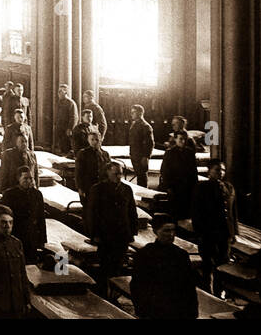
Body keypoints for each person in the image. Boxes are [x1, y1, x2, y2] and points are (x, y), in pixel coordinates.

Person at [131, 214, 198, 318]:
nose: (171, 234)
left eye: (173, 230)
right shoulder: (145, 254)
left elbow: (189, 286)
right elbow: (137, 285)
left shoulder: (181, 255)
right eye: (166, 231)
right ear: (155, 231)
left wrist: (192, 312)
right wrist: (142, 310)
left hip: (177, 309)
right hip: (154, 309)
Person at [84, 161, 138, 290]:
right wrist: (94, 234)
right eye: (116, 174)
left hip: (122, 234)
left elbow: (132, 211)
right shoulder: (98, 189)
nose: (119, 176)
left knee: (118, 266)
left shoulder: (126, 189)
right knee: (105, 266)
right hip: (105, 235)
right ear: (107, 173)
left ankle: (114, 293)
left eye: (120, 174)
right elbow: (91, 214)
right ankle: (103, 292)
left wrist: (133, 231)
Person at [192, 160, 238, 293]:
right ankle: (207, 291)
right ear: (209, 171)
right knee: (208, 263)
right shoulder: (202, 187)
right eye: (217, 170)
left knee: (223, 263)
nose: (221, 173)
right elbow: (196, 211)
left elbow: (233, 212)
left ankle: (219, 291)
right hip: (208, 232)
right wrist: (199, 232)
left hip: (225, 233)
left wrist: (234, 233)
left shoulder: (229, 187)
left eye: (223, 170)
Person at [1, 167, 47, 260]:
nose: (29, 181)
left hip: (32, 235)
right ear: (18, 179)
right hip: (16, 234)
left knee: (32, 264)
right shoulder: (9, 194)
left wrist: (42, 239)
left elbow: (41, 218)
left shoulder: (37, 194)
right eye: (25, 178)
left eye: (31, 178)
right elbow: (5, 218)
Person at [162, 130, 199, 220]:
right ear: (175, 139)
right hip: (175, 186)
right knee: (175, 212)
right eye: (180, 139)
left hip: (188, 186)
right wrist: (168, 187)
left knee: (188, 211)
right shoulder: (169, 153)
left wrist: (195, 186)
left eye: (185, 139)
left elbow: (194, 171)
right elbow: (164, 171)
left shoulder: (190, 152)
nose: (183, 141)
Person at [75, 130, 110, 204]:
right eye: (92, 139)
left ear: (101, 140)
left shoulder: (105, 154)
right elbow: (78, 172)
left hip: (103, 188)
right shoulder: (83, 153)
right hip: (88, 187)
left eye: (97, 139)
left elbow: (109, 172)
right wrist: (80, 188)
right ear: (88, 140)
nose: (94, 142)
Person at [128, 104, 155, 187]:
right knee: (139, 176)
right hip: (135, 154)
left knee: (142, 178)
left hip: (141, 156)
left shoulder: (145, 126)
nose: (131, 114)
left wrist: (146, 156)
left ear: (140, 113)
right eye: (131, 112)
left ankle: (144, 196)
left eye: (134, 112)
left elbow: (150, 143)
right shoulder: (134, 124)